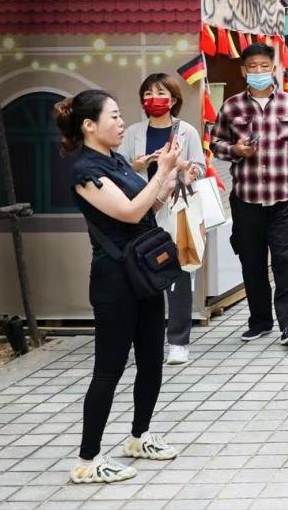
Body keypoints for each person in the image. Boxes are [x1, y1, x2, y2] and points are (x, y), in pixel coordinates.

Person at [57, 90, 190, 484]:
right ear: (89, 125)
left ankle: (139, 436)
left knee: (151, 358)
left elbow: (149, 206)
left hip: (143, 272)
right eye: (113, 116)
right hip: (114, 279)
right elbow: (130, 212)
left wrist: (173, 175)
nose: (120, 122)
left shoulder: (114, 160)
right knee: (109, 369)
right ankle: (87, 459)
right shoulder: (84, 170)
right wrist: (161, 171)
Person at [211, 43, 288, 348]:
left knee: (286, 261)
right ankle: (259, 321)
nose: (258, 72)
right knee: (252, 262)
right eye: (252, 67)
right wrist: (235, 150)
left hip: (283, 198)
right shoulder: (232, 107)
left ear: (273, 68)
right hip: (246, 199)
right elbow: (214, 141)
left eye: (263, 66)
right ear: (243, 70)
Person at [119, 73, 205, 366]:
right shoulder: (132, 133)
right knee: (141, 271)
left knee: (179, 274)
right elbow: (118, 169)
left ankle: (178, 340)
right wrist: (138, 164)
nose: (153, 98)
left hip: (177, 208)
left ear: (174, 98)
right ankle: (143, 336)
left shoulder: (187, 132)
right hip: (143, 208)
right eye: (148, 93)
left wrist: (184, 166)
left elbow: (201, 169)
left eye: (160, 92)